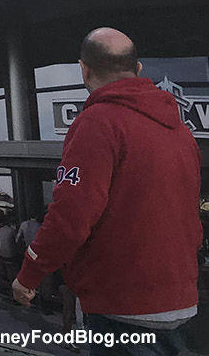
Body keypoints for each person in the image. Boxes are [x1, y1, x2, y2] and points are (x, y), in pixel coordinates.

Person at [13, 28, 202, 354]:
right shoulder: (181, 134)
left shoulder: (97, 123)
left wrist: (29, 274)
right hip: (182, 304)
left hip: (123, 308)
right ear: (138, 68)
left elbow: (71, 216)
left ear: (84, 70)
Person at [0, 214, 20, 298]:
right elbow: (17, 240)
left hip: (1, 255)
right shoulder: (12, 231)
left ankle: (8, 286)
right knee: (16, 267)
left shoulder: (0, 230)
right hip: (10, 256)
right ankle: (15, 288)